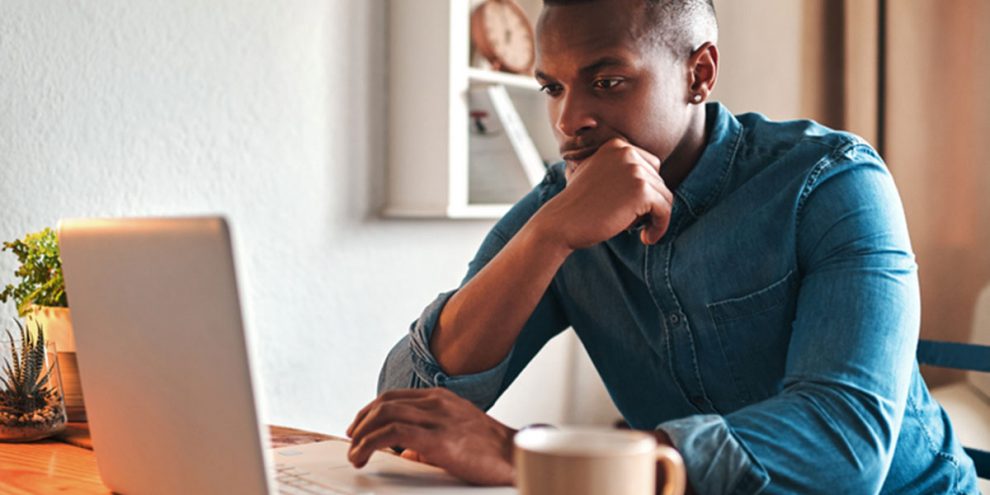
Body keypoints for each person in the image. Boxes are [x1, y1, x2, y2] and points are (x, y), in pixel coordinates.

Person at [346, 0, 980, 493]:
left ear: (697, 73)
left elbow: (844, 448)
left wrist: (530, 457)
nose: (569, 121)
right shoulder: (560, 206)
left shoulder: (832, 182)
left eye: (608, 81)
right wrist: (547, 237)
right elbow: (408, 408)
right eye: (553, 88)